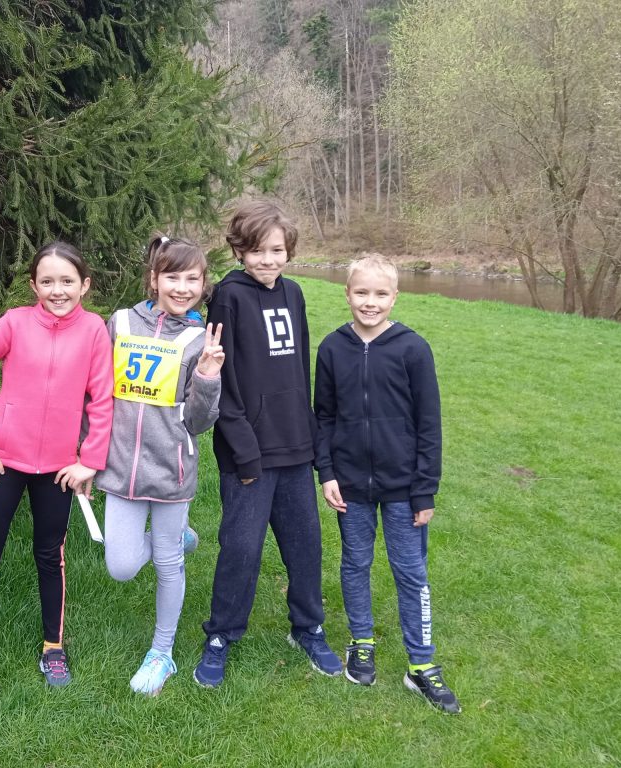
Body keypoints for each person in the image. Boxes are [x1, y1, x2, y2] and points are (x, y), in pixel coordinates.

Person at [0, 242, 114, 721]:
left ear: (85, 285)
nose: (57, 290)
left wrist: (89, 460)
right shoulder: (14, 323)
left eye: (67, 281)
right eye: (47, 281)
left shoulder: (94, 330)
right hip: (2, 464)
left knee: (51, 556)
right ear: (33, 285)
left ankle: (53, 647)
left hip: (59, 470)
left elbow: (102, 399)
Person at [194, 200, 342, 688]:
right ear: (240, 251)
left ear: (289, 251)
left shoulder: (294, 294)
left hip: (295, 446)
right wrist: (245, 452)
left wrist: (313, 440)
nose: (268, 260)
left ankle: (308, 627)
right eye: (257, 250)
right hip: (249, 454)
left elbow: (299, 372)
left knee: (305, 546)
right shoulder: (229, 297)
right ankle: (221, 635)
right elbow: (225, 383)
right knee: (241, 548)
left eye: (277, 250)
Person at [314, 255, 461, 714]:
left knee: (411, 572)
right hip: (350, 484)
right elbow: (323, 417)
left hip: (403, 488)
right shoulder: (332, 348)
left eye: (380, 294)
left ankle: (421, 664)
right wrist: (327, 472)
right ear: (347, 294)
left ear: (395, 297)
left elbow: (429, 423)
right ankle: (361, 642)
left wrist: (425, 489)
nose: (370, 302)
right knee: (355, 563)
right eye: (361, 292)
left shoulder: (412, 349)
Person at [97, 235, 224, 696]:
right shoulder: (120, 322)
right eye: (173, 277)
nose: (183, 287)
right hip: (119, 470)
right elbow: (97, 392)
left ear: (203, 284)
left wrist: (207, 376)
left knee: (168, 564)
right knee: (121, 566)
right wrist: (86, 452)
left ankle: (162, 653)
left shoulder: (199, 340)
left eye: (193, 279)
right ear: (154, 279)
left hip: (172, 473)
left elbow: (199, 422)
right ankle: (181, 538)